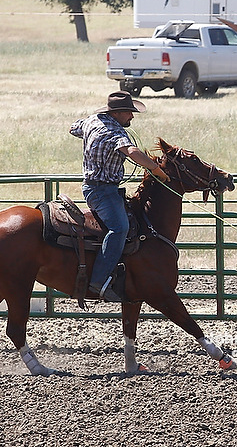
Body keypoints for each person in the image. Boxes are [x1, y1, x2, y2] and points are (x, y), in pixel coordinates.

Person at [69, 91, 169, 302]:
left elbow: (74, 128)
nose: (132, 116)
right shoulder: (115, 132)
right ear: (117, 113)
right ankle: (99, 280)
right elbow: (132, 151)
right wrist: (156, 169)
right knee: (119, 228)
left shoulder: (92, 121)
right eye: (129, 112)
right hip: (103, 191)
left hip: (94, 187)